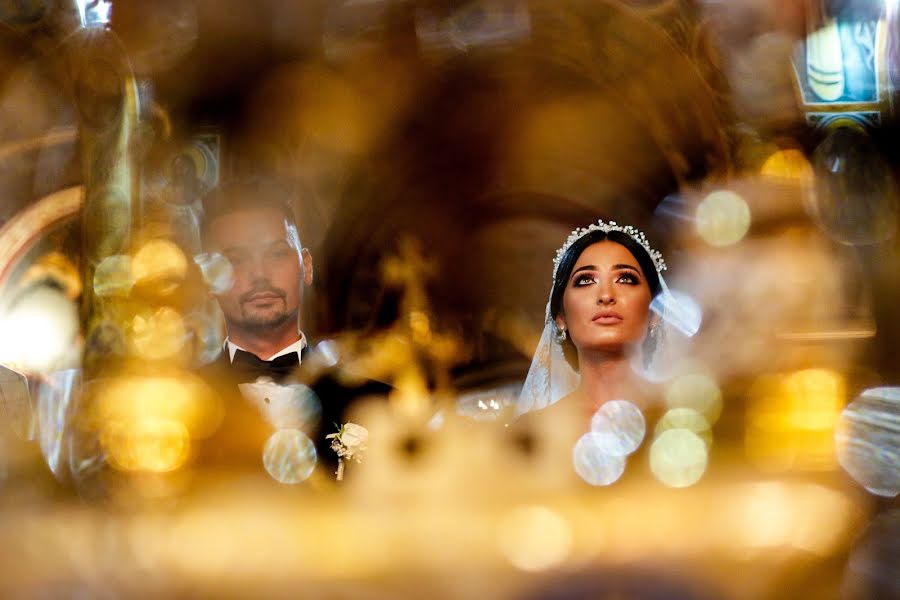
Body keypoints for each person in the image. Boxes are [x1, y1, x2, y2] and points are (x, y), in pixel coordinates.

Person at [197, 179, 385, 477]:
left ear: (306, 266)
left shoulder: (375, 404)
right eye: (236, 259)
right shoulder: (185, 408)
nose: (259, 274)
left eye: (276, 254)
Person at [516, 219, 677, 418]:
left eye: (626, 278)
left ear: (655, 312)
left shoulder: (681, 418)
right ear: (560, 317)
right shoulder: (534, 432)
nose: (606, 295)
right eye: (585, 280)